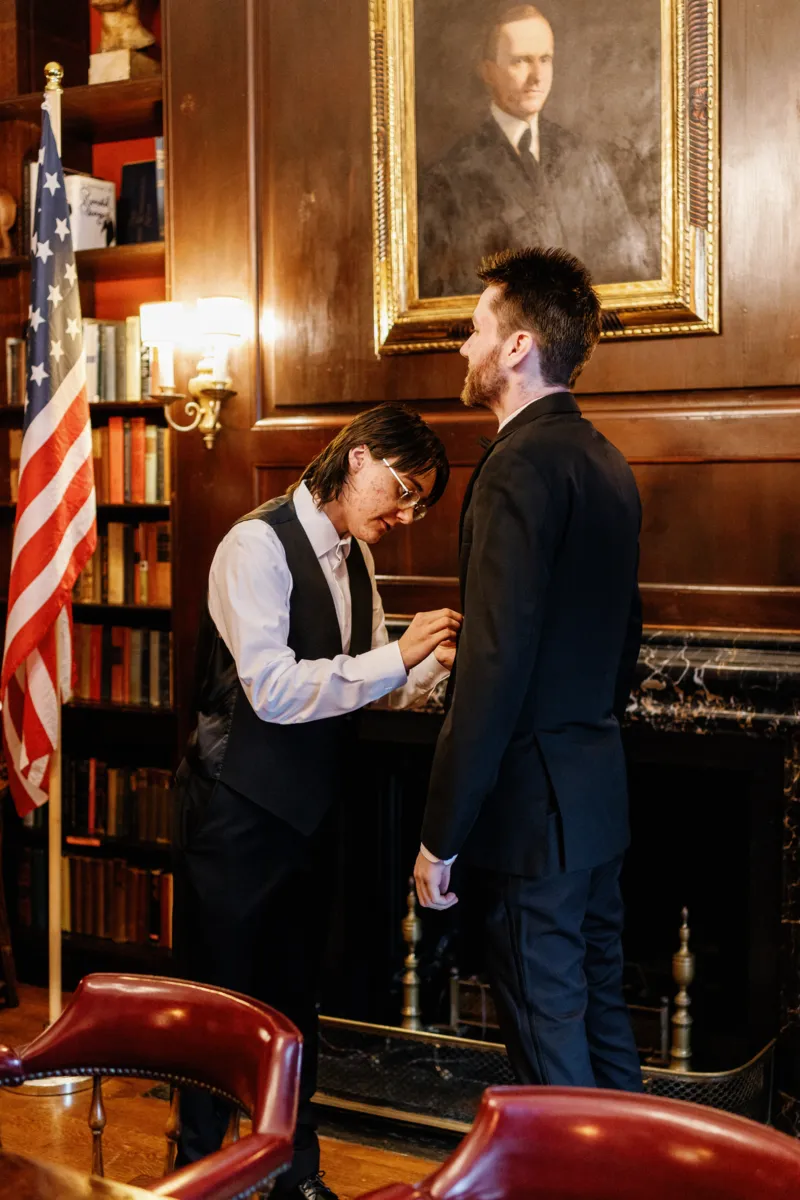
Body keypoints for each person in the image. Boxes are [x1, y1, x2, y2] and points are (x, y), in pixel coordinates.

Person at [173, 404, 461, 1200]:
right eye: (403, 492)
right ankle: (195, 1177)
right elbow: (270, 690)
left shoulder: (356, 561)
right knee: (215, 1013)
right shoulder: (253, 545)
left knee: (298, 1005)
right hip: (235, 814)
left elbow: (354, 687)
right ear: (358, 457)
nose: (404, 516)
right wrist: (392, 656)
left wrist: (422, 668)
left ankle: (293, 1176)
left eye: (419, 506)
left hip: (310, 815)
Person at [414, 246, 644, 1095]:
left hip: (529, 816)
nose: (466, 348)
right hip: (595, 794)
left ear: (517, 348)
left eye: (476, 330)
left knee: (549, 1058)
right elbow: (625, 636)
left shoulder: (514, 466)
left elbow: (495, 663)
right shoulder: (606, 462)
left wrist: (441, 835)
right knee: (601, 1019)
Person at [418, 4, 653, 297]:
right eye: (520, 61)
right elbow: (445, 292)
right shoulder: (452, 177)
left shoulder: (583, 158)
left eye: (545, 59)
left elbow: (629, 268)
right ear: (488, 72)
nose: (537, 76)